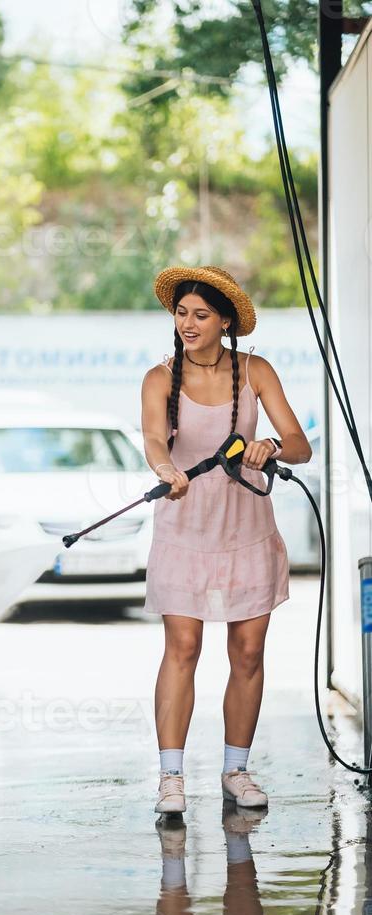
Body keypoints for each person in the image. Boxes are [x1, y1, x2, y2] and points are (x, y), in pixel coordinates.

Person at [141, 265, 312, 814]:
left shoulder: (255, 370)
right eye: (181, 312)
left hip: (247, 532)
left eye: (200, 314)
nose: (187, 323)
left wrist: (270, 447)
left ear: (225, 322)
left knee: (248, 651)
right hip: (184, 531)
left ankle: (235, 770)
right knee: (184, 648)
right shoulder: (159, 378)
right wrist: (167, 471)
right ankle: (171, 778)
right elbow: (153, 440)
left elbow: (299, 445)